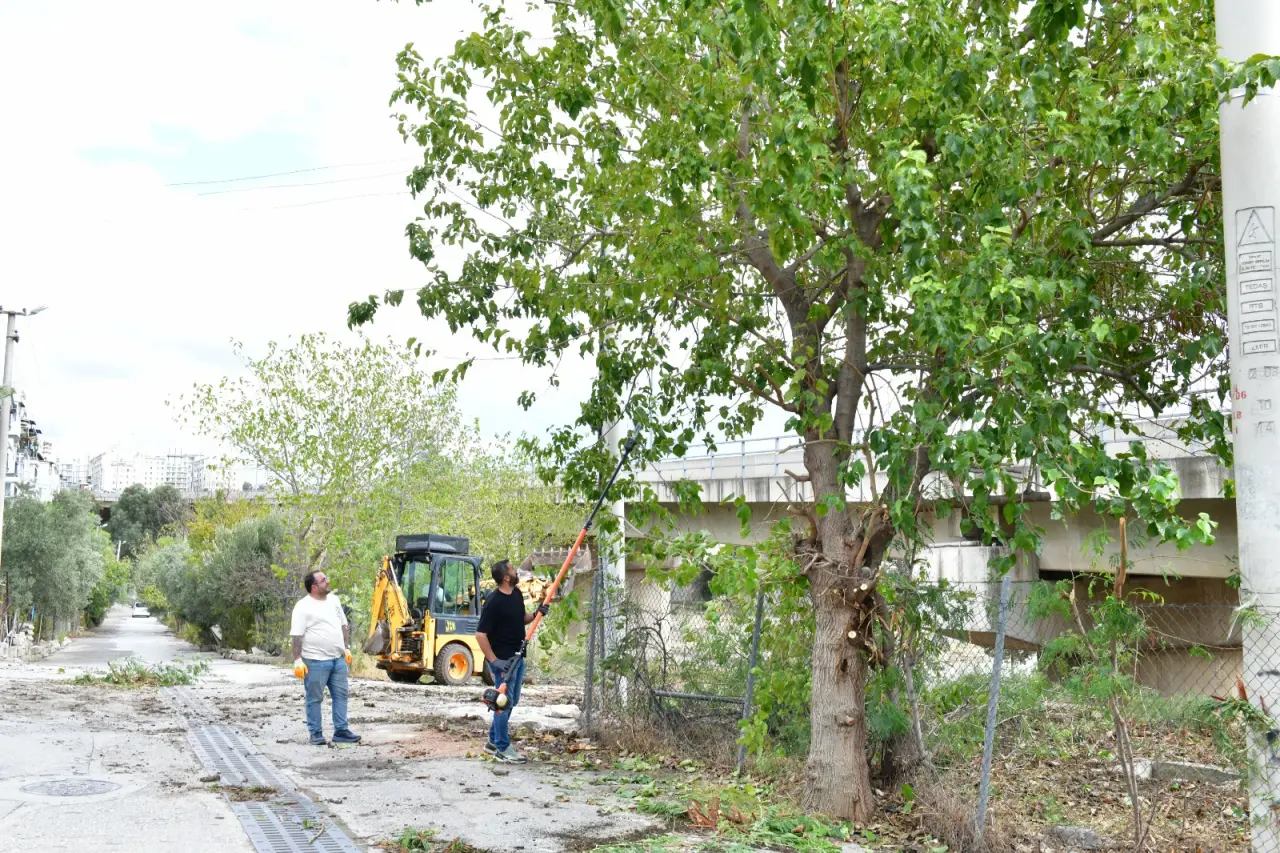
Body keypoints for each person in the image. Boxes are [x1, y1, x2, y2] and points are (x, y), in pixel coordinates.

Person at [475, 558, 546, 763]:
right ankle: (503, 749)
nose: (516, 571)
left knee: (511, 700)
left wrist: (536, 614)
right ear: (506, 577)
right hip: (503, 661)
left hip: (517, 655)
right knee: (501, 703)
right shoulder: (493, 601)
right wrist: (494, 661)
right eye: (513, 569)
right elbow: (480, 635)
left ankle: (492, 741)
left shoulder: (515, 594)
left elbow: (520, 617)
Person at [291, 571, 361, 746]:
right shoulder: (303, 606)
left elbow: (343, 625)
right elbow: (297, 636)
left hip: (338, 660)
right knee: (315, 698)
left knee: (341, 695)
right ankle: (315, 733)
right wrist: (298, 660)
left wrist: (347, 648)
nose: (328, 581)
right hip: (315, 661)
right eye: (324, 580)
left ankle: (341, 731)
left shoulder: (334, 601)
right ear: (314, 587)